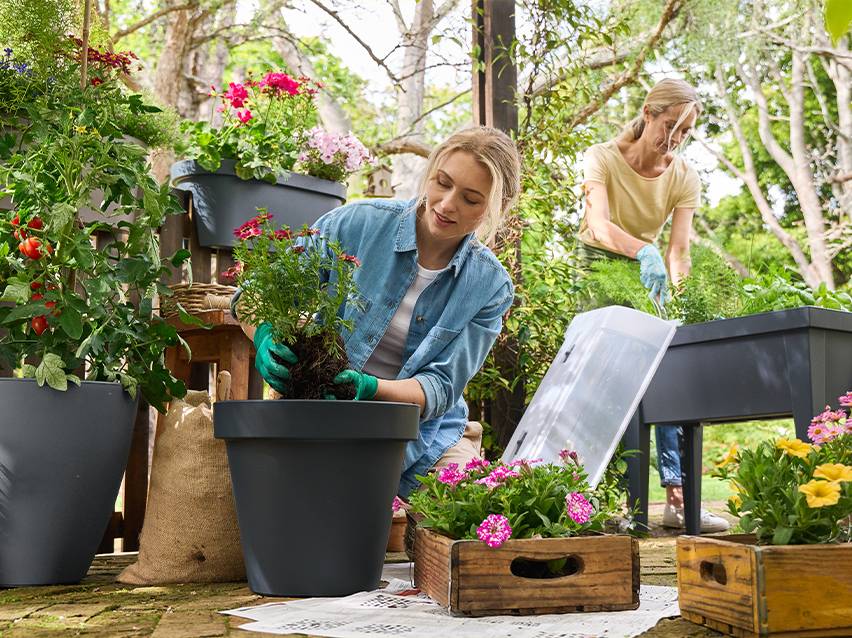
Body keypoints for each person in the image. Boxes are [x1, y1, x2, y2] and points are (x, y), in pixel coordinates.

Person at [239, 126, 521, 498]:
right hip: (321, 414)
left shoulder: (489, 286)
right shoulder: (356, 224)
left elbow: (442, 386)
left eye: (471, 199)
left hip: (424, 439)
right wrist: (263, 333)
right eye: (442, 182)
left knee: (469, 508)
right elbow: (255, 294)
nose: (447, 204)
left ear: (494, 207)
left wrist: (371, 389)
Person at [577, 78, 729, 533]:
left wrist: (681, 306)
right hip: (598, 262)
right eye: (669, 126)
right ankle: (593, 500)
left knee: (666, 369)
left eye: (684, 132)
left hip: (648, 271)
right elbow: (599, 225)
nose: (674, 139)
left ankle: (677, 499)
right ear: (648, 113)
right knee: (608, 377)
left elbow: (678, 252)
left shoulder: (684, 176)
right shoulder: (600, 157)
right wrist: (643, 250)